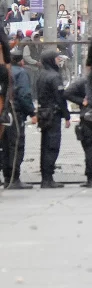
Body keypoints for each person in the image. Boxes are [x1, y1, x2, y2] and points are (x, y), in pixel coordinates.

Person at [2, 46, 36, 189]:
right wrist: (32, 112)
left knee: (4, 146)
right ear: (21, 61)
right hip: (15, 114)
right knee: (16, 146)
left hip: (3, 113)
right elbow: (24, 95)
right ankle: (14, 179)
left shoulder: (4, 72)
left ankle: (6, 177)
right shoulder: (21, 73)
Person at [36, 49, 71, 189]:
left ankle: (45, 177)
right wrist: (67, 115)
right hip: (53, 114)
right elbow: (60, 98)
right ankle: (48, 179)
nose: (58, 61)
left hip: (43, 112)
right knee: (52, 145)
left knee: (44, 145)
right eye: (57, 59)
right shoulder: (54, 77)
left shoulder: (41, 75)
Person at [64, 76, 92, 188]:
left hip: (88, 117)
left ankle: (91, 179)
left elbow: (67, 93)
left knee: (90, 149)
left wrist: (82, 101)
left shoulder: (84, 81)